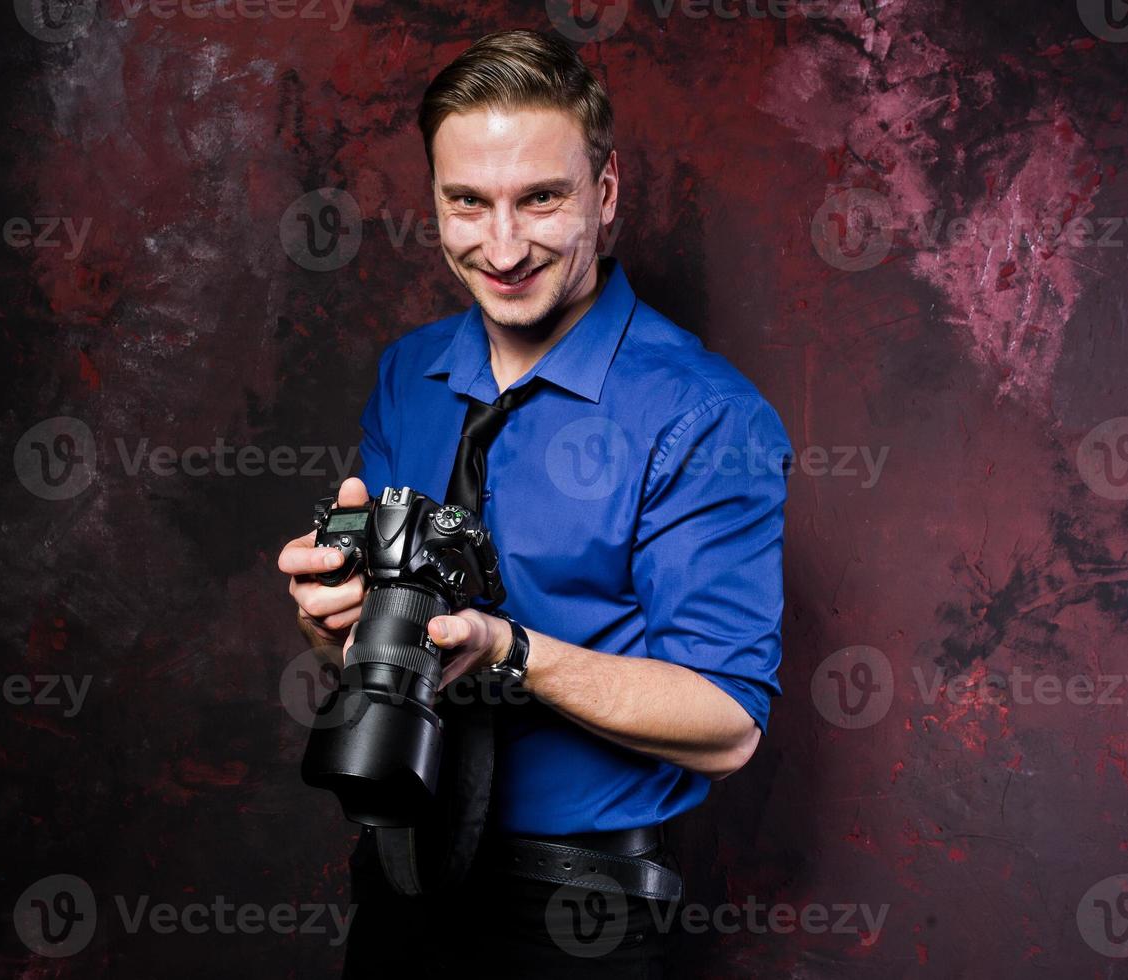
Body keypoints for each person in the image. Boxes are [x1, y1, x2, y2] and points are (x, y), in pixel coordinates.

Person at [277, 29, 792, 978]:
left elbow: (728, 722)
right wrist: (329, 617)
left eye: (540, 198)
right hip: (398, 880)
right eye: (466, 202)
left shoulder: (705, 414)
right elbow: (367, 648)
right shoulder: (409, 378)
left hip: (574, 917)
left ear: (603, 193)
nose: (501, 246)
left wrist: (507, 652)